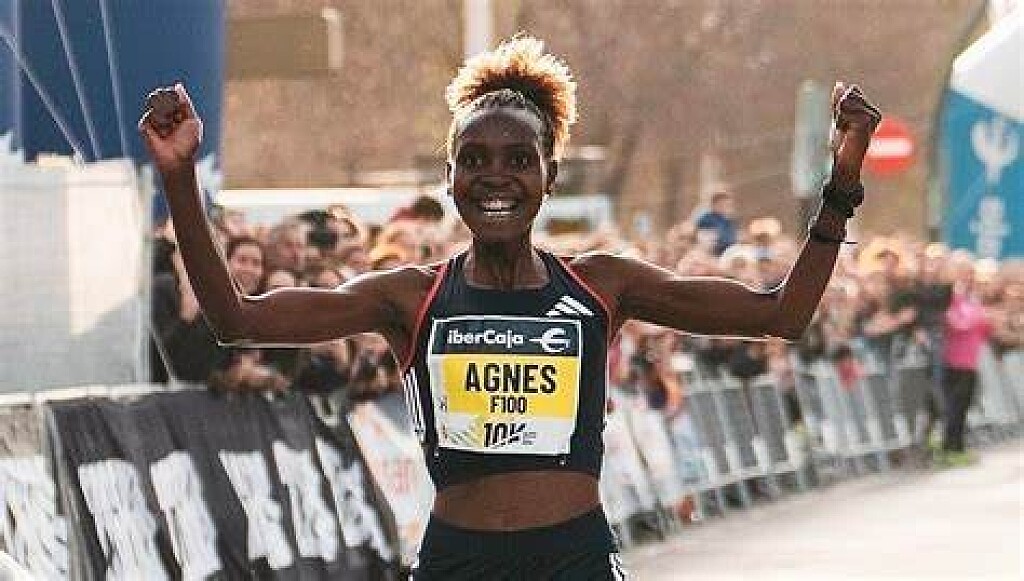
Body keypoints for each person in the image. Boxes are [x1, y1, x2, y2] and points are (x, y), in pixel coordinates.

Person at [140, 35, 880, 579]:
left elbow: (781, 314)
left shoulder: (602, 285)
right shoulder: (410, 296)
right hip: (459, 560)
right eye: (475, 160)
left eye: (519, 160)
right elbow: (237, 320)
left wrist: (841, 185)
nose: (496, 177)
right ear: (450, 177)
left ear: (550, 176)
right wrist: (178, 178)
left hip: (574, 558)